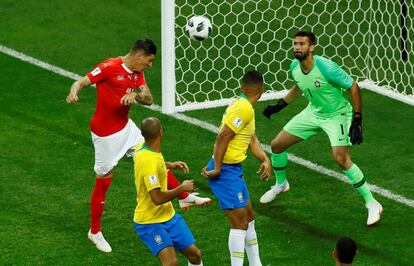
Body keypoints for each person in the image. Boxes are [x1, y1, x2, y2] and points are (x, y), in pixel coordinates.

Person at [66, 39, 210, 253]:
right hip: (105, 135)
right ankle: (94, 231)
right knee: (104, 180)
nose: (150, 65)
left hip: (126, 128)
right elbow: (81, 81)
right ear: (139, 56)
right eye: (149, 60)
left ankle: (183, 197)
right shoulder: (108, 67)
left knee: (153, 156)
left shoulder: (137, 73)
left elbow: (149, 99)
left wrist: (137, 94)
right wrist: (74, 92)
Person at [260, 30, 383, 226]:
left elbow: (353, 87)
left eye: (302, 44)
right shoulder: (295, 66)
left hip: (337, 115)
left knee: (341, 158)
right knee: (277, 145)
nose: (297, 47)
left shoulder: (326, 68)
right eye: (295, 44)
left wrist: (357, 119)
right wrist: (279, 106)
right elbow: (299, 86)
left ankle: (372, 203)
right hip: (313, 112)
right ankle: (281, 184)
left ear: (312, 47)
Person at [202, 70, 271, 266]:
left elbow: (251, 138)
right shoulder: (244, 108)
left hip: (233, 170)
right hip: (225, 171)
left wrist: (264, 158)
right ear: (262, 89)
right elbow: (223, 136)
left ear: (242, 87)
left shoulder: (243, 105)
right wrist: (216, 167)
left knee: (249, 217)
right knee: (240, 223)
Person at [134, 117, 203, 266]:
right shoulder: (149, 161)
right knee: (171, 263)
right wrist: (182, 189)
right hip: (149, 221)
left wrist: (169, 165)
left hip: (168, 216)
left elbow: (153, 164)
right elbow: (157, 198)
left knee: (195, 255)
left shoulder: (142, 147)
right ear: (161, 132)